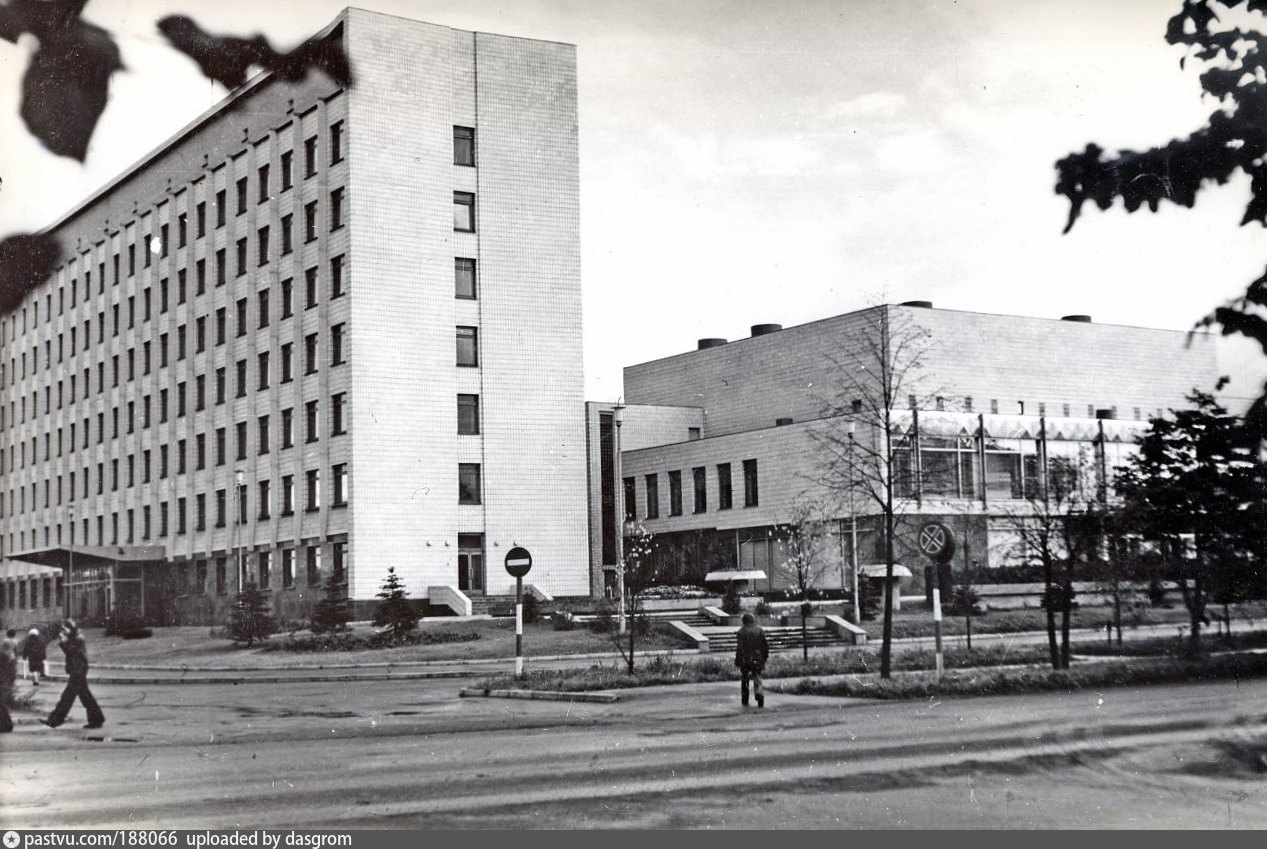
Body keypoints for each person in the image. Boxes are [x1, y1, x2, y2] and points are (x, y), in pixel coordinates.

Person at [41, 620, 104, 730]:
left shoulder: (78, 639)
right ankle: (97, 719)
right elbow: (70, 653)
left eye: (65, 629)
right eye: (62, 629)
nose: (63, 631)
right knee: (85, 697)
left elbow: (73, 652)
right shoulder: (73, 638)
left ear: (71, 629)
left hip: (78, 670)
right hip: (77, 670)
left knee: (67, 697)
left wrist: (64, 642)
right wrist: (64, 641)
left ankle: (54, 720)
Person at [734, 612, 770, 708]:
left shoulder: (741, 631)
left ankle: (745, 699)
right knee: (757, 676)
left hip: (745, 658)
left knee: (745, 678)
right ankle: (759, 693)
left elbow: (739, 648)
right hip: (758, 657)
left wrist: (738, 660)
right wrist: (764, 657)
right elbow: (765, 646)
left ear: (744, 621)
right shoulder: (760, 630)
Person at [0, 639, 16, 733]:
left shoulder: (5, 655)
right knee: (2, 704)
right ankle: (6, 725)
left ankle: (7, 725)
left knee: (1, 704)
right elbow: (12, 674)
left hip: (3, 683)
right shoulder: (10, 657)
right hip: (6, 683)